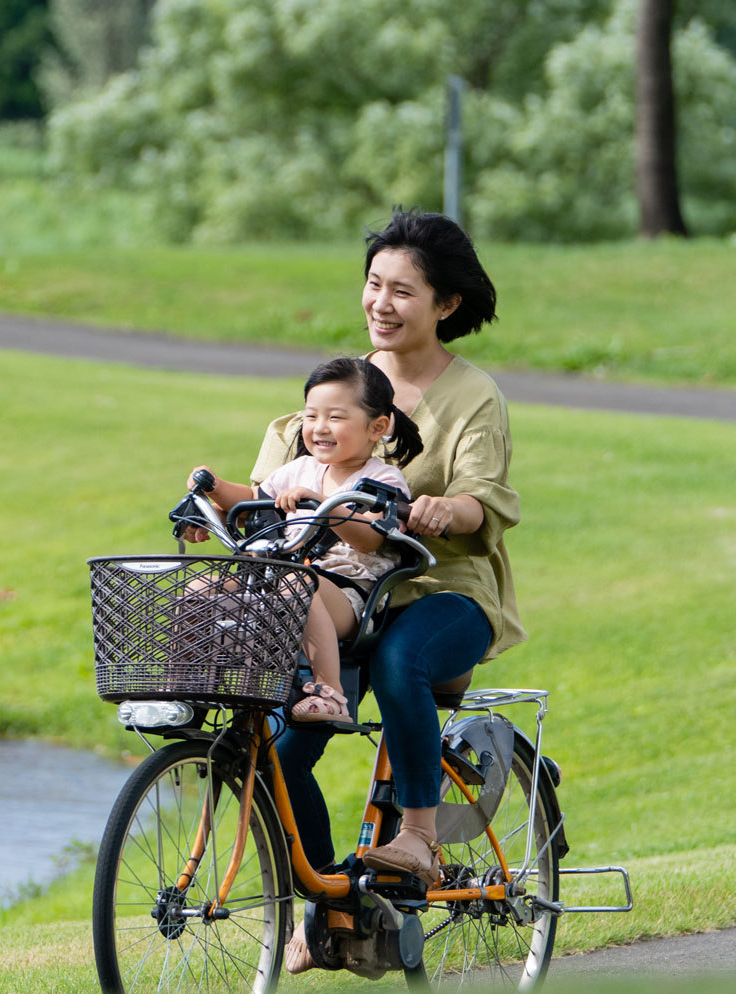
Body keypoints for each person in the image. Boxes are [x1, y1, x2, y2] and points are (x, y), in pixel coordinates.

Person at [253, 209, 524, 912]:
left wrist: (445, 508)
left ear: (447, 304)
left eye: (402, 291)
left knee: (404, 660)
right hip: (344, 593)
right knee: (281, 752)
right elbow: (279, 471)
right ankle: (329, 906)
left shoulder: (473, 396)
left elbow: (482, 499)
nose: (381, 303)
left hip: (443, 587)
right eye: (374, 285)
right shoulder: (346, 387)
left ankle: (418, 837)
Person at [187, 357, 422, 724]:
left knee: (298, 583)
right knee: (203, 585)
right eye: (311, 416)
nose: (319, 428)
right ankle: (184, 681)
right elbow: (252, 501)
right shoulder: (300, 468)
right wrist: (214, 487)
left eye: (336, 417)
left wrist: (325, 505)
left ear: (377, 427)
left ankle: (331, 693)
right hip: (282, 579)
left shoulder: (383, 480)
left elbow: (368, 540)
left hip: (346, 597)